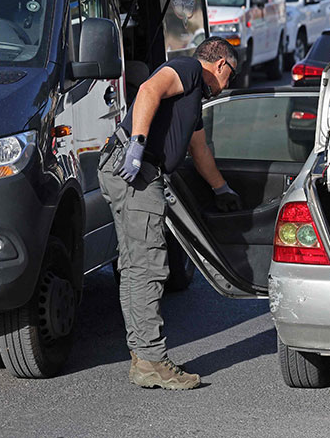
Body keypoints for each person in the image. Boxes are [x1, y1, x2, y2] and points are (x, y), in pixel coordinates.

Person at [98, 37, 241, 390]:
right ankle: (151, 361)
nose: (227, 86)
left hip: (128, 168)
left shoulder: (191, 100)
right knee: (147, 266)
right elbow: (149, 90)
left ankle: (141, 355)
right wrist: (138, 143)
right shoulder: (189, 70)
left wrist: (221, 189)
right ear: (221, 65)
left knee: (134, 266)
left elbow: (199, 148)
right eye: (231, 77)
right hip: (137, 169)